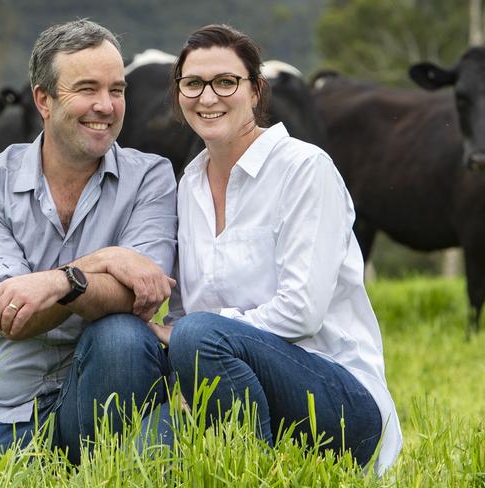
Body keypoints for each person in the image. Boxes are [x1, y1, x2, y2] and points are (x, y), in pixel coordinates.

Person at [146, 24, 402, 474]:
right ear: (178, 93)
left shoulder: (305, 169)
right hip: (230, 381)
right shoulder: (188, 185)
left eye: (226, 82)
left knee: (199, 335)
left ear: (256, 91)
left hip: (340, 399)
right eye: (193, 83)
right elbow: (186, 310)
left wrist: (200, 334)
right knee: (144, 456)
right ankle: (238, 462)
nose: (208, 97)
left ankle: (252, 473)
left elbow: (300, 312)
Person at [0, 20, 177, 464]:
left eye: (117, 90)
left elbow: (140, 297)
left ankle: (101, 458)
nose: (106, 106)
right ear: (43, 98)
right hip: (11, 411)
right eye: (87, 89)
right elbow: (12, 317)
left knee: (121, 334)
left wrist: (58, 284)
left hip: (106, 394)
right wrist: (104, 260)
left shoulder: (150, 177)